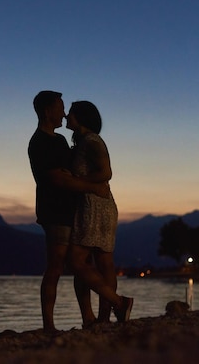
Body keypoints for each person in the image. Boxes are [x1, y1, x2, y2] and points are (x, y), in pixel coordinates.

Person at [28, 90, 102, 333]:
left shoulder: (59, 141)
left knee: (81, 263)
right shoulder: (39, 142)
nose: (64, 113)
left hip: (75, 210)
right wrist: (94, 186)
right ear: (48, 111)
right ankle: (48, 324)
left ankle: (88, 317)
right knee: (56, 266)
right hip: (55, 211)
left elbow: (71, 172)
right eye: (60, 108)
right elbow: (58, 179)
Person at [65, 100, 133, 323]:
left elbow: (106, 173)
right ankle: (100, 319)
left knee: (77, 261)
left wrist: (76, 181)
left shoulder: (92, 142)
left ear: (82, 117)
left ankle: (116, 303)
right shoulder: (85, 142)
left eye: (71, 114)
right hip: (100, 204)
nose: (67, 116)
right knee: (104, 263)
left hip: (93, 206)